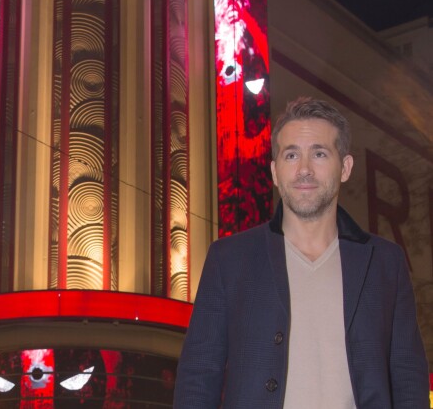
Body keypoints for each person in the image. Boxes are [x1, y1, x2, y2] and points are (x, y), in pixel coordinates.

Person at [173, 97, 429, 408]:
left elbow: (407, 379)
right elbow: (198, 378)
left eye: (319, 154)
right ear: (275, 171)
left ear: (345, 167)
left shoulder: (385, 263)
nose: (304, 170)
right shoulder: (229, 259)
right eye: (291, 155)